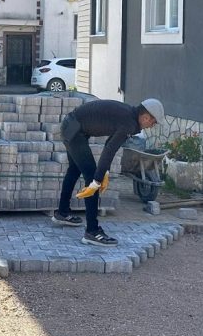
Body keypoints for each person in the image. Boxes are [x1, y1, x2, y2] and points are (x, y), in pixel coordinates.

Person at [53, 98, 166, 246]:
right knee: (91, 178)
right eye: (153, 122)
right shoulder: (129, 123)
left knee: (74, 169)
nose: (152, 126)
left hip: (71, 125)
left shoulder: (128, 114)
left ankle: (62, 212)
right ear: (146, 117)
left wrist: (105, 172)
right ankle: (92, 231)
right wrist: (97, 180)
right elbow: (110, 150)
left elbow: (109, 143)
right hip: (75, 130)